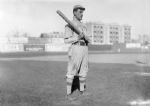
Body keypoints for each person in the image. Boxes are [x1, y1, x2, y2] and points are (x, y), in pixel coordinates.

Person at [64, 5, 90, 101]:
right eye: (80, 12)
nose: (82, 14)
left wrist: (87, 39)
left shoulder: (84, 25)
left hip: (85, 48)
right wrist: (77, 38)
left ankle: (82, 91)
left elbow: (88, 38)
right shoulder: (69, 25)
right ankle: (68, 94)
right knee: (71, 71)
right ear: (74, 12)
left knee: (84, 70)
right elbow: (66, 40)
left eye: (82, 12)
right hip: (75, 48)